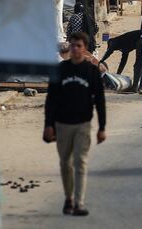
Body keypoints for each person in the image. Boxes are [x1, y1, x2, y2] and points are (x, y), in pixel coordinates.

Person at [44, 33, 106, 217]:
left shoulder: (91, 71)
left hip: (83, 124)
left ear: (85, 48)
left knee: (81, 162)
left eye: (79, 46)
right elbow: (51, 99)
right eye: (72, 46)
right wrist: (48, 125)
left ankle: (79, 203)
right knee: (65, 163)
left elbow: (100, 100)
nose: (75, 49)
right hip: (62, 124)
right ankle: (68, 198)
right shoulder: (60, 70)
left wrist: (102, 127)